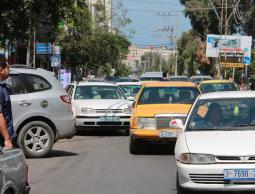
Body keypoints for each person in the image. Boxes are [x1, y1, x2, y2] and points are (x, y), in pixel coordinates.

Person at [0, 58, 16, 148]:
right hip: (2, 139)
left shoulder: (3, 86)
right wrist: (6, 138)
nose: (9, 70)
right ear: (1, 70)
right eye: (8, 68)